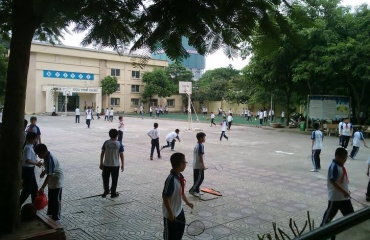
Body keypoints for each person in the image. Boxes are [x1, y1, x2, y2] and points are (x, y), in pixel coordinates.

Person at [320, 147, 354, 240]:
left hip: (344, 198)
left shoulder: (340, 166)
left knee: (351, 217)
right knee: (326, 220)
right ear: (337, 156)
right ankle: (321, 234)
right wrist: (344, 191)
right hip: (335, 198)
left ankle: (339, 232)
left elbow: (342, 181)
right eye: (343, 158)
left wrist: (347, 191)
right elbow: (334, 182)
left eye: (346, 158)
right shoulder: (333, 166)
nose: (345, 160)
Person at [162, 152, 193, 240]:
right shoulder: (171, 179)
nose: (186, 164)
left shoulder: (180, 177)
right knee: (170, 237)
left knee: (179, 234)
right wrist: (171, 213)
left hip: (179, 211)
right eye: (185, 162)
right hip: (170, 214)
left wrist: (187, 202)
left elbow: (181, 193)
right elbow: (165, 197)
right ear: (181, 164)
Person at [36, 144, 64, 221]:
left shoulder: (50, 159)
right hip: (53, 178)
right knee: (51, 196)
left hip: (57, 179)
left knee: (56, 198)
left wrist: (42, 187)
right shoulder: (46, 156)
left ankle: (56, 216)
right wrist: (44, 172)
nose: (38, 156)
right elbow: (48, 168)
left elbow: (49, 176)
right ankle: (51, 212)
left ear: (44, 152)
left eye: (39, 154)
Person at [20, 132, 43, 207]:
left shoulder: (30, 146)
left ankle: (34, 206)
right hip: (27, 170)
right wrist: (36, 163)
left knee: (34, 188)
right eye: (35, 139)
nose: (36, 140)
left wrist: (36, 162)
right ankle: (18, 204)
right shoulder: (28, 148)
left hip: (30, 170)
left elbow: (30, 159)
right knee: (27, 190)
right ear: (30, 139)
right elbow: (27, 160)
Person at [100, 129, 124, 198]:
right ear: (117, 135)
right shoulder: (119, 143)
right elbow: (121, 155)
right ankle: (113, 193)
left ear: (109, 135)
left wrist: (101, 163)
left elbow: (102, 153)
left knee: (105, 178)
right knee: (114, 179)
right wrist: (122, 164)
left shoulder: (106, 142)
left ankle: (106, 190)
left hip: (106, 164)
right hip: (115, 165)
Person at [189, 132, 206, 197]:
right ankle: (193, 190)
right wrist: (203, 165)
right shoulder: (200, 145)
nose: (205, 139)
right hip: (199, 165)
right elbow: (200, 156)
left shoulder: (198, 144)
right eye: (204, 137)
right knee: (200, 179)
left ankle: (197, 190)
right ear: (200, 138)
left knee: (198, 178)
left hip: (197, 164)